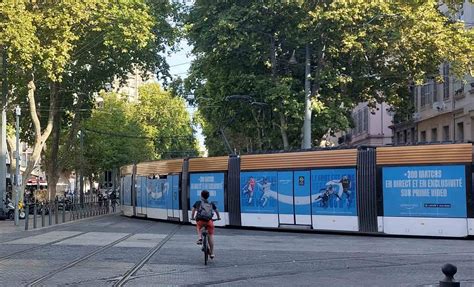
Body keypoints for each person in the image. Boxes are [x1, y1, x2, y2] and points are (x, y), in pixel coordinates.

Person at [191, 190, 221, 259]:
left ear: (201, 195)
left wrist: (192, 217)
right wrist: (218, 217)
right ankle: (212, 253)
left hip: (200, 221)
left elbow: (193, 210)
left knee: (198, 227)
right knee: (210, 235)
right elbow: (216, 211)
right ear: (208, 196)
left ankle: (200, 238)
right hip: (209, 221)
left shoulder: (198, 202)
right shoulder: (211, 203)